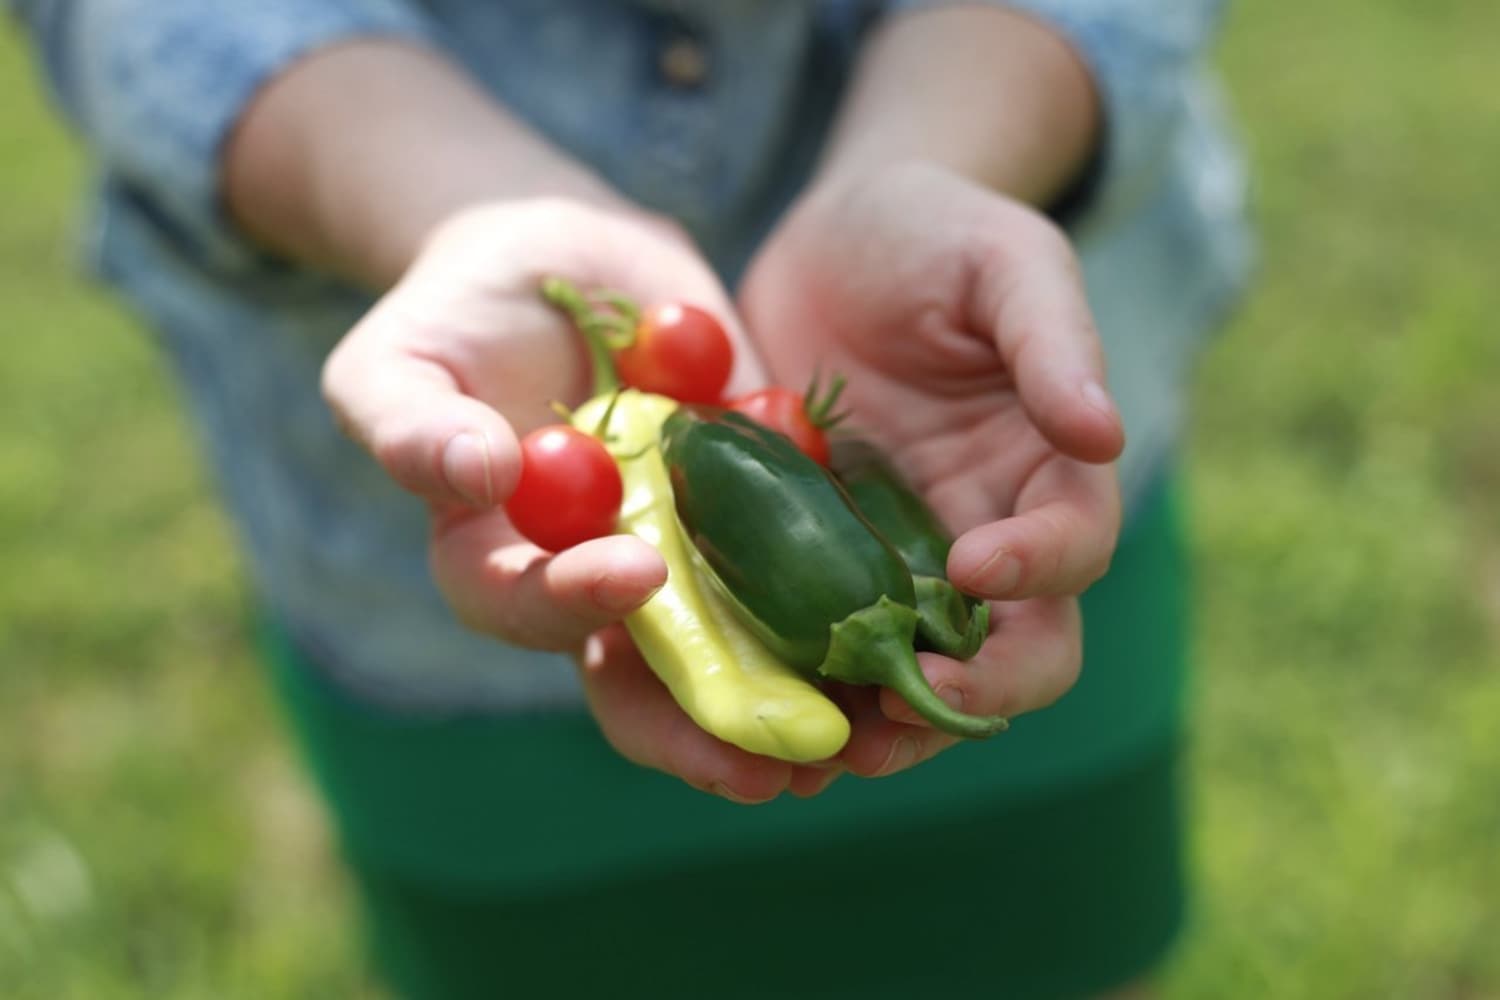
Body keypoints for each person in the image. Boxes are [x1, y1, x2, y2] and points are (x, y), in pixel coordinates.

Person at [9, 0, 1252, 996]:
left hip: (987, 466)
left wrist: (940, 146)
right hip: (435, 631)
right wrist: (446, 200)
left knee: (1046, 954)